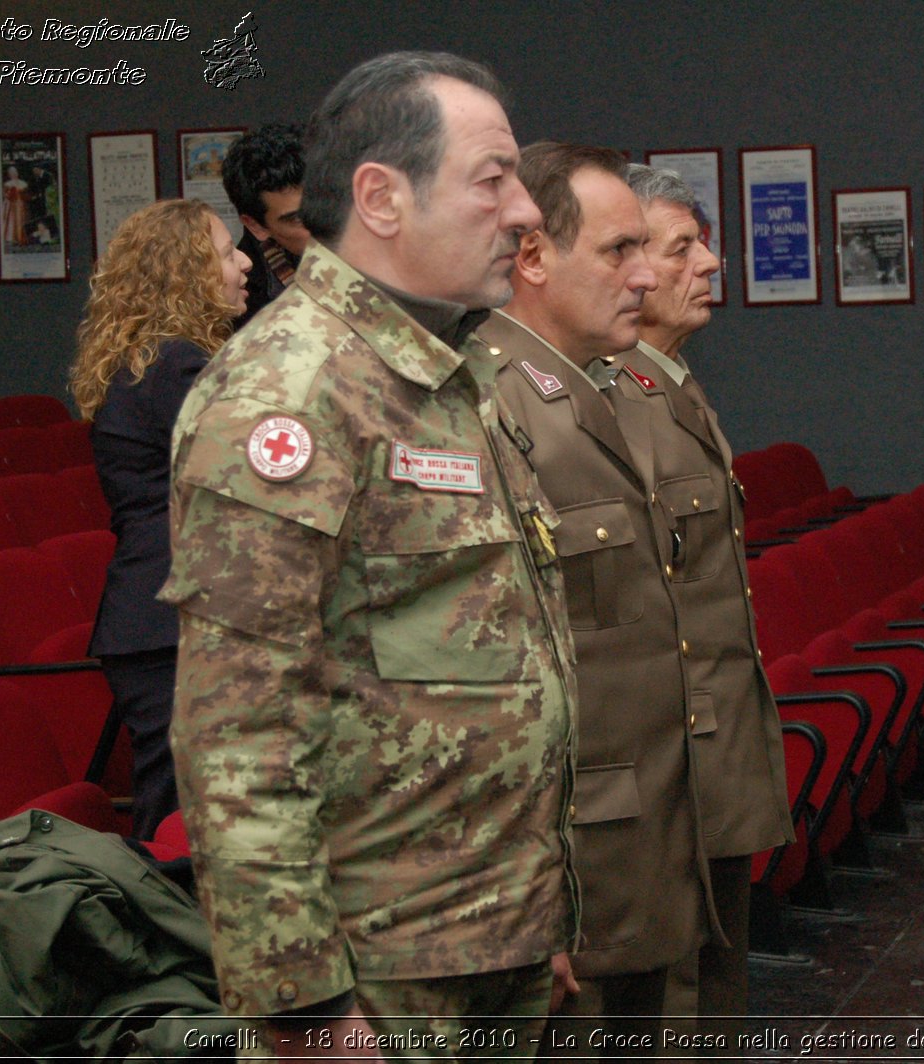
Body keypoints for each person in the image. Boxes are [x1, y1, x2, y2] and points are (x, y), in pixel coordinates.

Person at [160, 52, 577, 1060]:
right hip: (378, 976)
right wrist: (303, 1004)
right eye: (492, 178)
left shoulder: (443, 371)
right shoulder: (289, 394)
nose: (525, 209)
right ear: (382, 198)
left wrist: (540, 909)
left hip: (488, 936)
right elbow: (239, 732)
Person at [478, 142, 711, 1055]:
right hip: (578, 834)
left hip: (646, 809)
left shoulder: (606, 390)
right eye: (621, 252)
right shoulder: (492, 400)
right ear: (533, 259)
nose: (647, 275)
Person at [615, 163, 793, 1047]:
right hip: (667, 760)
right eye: (684, 247)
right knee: (679, 999)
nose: (713, 264)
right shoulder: (610, 401)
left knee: (715, 984)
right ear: (624, 265)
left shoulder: (670, 382)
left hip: (712, 742)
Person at [68, 199, 251, 840]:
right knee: (182, 816)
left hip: (155, 615)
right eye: (227, 254)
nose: (244, 264)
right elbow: (245, 478)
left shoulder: (154, 358)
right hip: (170, 619)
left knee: (179, 803)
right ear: (186, 272)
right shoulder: (176, 364)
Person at [221, 124, 311, 330]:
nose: (322, 222)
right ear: (255, 225)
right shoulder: (240, 299)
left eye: (323, 205)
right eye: (298, 219)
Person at [1, 167, 29, 247]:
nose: (14, 174)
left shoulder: (23, 183)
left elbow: (26, 195)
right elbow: (5, 194)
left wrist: (23, 196)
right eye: (12, 173)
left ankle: (21, 238)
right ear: (10, 174)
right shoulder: (7, 184)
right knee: (11, 220)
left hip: (20, 204)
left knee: (21, 220)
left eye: (15, 172)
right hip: (10, 205)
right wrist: (9, 195)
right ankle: (11, 238)